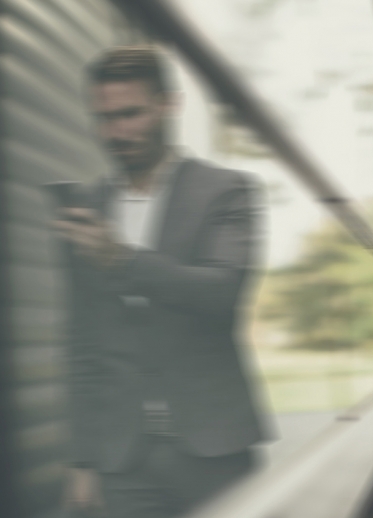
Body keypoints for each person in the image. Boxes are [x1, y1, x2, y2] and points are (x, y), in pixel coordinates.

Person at [53, 46, 266, 518]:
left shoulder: (227, 191)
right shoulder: (87, 210)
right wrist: (82, 458)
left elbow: (221, 293)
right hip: (123, 463)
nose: (116, 131)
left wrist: (121, 259)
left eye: (130, 114)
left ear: (169, 105)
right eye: (104, 118)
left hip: (213, 449)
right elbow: (83, 344)